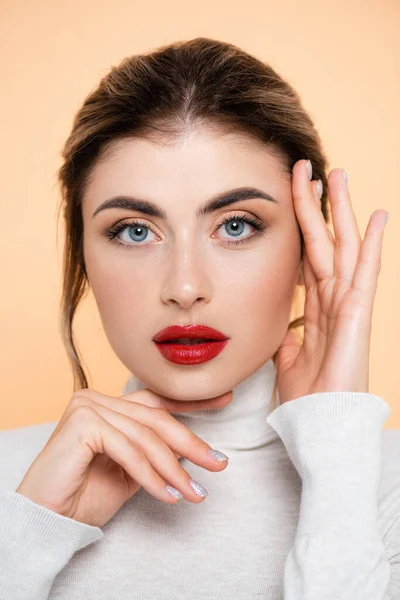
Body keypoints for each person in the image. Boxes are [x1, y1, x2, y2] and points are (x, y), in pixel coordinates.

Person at [0, 37, 399, 600]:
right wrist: (28, 533)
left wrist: (337, 457)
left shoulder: (383, 488)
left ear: (312, 245)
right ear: (83, 254)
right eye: (135, 231)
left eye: (236, 225)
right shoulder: (12, 485)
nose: (185, 288)